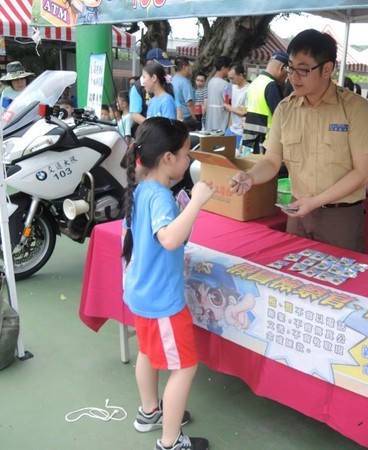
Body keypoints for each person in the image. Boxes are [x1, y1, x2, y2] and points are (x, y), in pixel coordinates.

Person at [230, 29, 368, 252]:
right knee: (295, 282)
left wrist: (315, 202)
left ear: (327, 69)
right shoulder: (285, 108)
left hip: (340, 218)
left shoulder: (356, 109)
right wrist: (251, 176)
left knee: (339, 282)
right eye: (291, 68)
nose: (293, 76)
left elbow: (362, 173)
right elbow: (272, 160)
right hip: (298, 214)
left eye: (303, 69)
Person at [121, 117, 214, 450]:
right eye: (187, 153)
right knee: (185, 366)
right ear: (168, 159)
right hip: (162, 301)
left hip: (141, 294)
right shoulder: (159, 196)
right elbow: (171, 239)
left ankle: (150, 412)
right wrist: (199, 201)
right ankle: (170, 442)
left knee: (147, 351)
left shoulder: (142, 189)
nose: (189, 160)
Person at [241, 50, 288, 154]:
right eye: (287, 72)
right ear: (282, 68)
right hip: (266, 143)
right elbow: (281, 117)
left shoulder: (255, 82)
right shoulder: (271, 85)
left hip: (251, 141)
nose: (286, 76)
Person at [130, 48, 174, 134]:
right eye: (162, 66)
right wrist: (151, 129)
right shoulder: (138, 87)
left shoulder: (168, 92)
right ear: (150, 64)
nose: (163, 71)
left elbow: (170, 126)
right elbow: (134, 114)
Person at [223, 63, 249, 149]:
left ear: (241, 75)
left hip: (241, 131)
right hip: (231, 129)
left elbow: (245, 112)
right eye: (229, 78)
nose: (230, 81)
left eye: (232, 78)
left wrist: (230, 108)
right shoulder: (233, 87)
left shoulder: (249, 90)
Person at [204, 55, 232, 132]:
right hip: (220, 122)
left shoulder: (210, 82)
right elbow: (228, 104)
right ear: (223, 68)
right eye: (228, 69)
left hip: (209, 121)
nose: (229, 71)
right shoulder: (225, 85)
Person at [171, 57, 199, 130]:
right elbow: (189, 103)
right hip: (186, 119)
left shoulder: (173, 80)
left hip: (176, 116)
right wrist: (194, 118)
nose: (190, 68)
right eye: (189, 66)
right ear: (184, 67)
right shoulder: (185, 82)